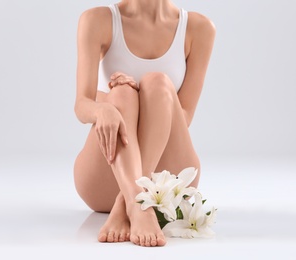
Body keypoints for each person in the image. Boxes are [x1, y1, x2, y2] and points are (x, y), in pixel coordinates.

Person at [73, 0, 216, 247]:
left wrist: (148, 93)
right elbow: (81, 104)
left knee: (158, 83)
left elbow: (183, 115)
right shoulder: (97, 20)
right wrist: (104, 107)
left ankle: (131, 201)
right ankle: (137, 200)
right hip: (105, 178)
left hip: (167, 177)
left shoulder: (199, 28)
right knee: (122, 94)